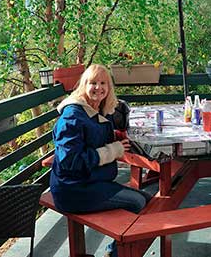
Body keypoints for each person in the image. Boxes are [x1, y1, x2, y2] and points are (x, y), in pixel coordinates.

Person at [49, 64, 148, 257]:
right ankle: (116, 253)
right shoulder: (72, 117)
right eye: (93, 82)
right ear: (83, 85)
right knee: (138, 202)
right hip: (73, 190)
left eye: (103, 83)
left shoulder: (97, 110)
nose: (98, 87)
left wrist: (114, 137)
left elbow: (91, 138)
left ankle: (115, 250)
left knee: (147, 200)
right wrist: (112, 151)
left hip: (91, 182)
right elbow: (71, 161)